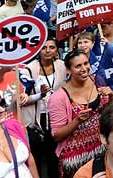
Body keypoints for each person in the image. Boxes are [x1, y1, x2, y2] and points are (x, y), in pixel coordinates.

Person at [48, 50, 111, 178]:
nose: (84, 69)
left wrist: (112, 96)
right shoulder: (59, 97)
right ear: (68, 70)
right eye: (78, 66)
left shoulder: (98, 80)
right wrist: (77, 121)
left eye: (86, 63)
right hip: (75, 158)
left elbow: (110, 115)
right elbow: (57, 136)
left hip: (101, 150)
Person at [21, 38, 67, 177]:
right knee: (37, 156)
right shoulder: (28, 69)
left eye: (51, 47)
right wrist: (40, 95)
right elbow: (22, 100)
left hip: (56, 116)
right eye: (44, 47)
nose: (47, 51)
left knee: (54, 154)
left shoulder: (61, 65)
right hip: (36, 120)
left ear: (56, 50)